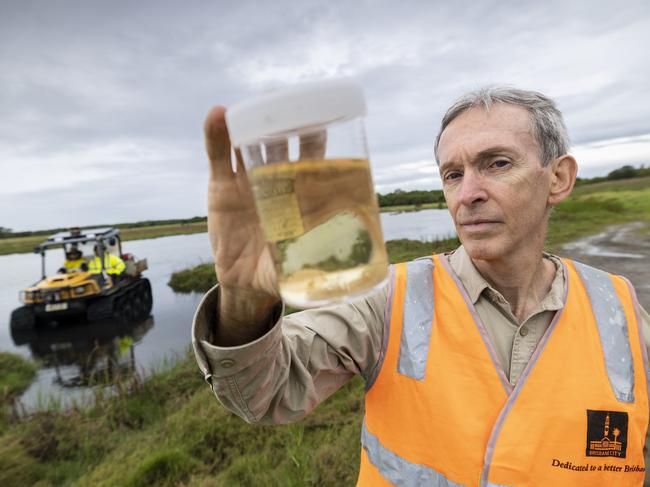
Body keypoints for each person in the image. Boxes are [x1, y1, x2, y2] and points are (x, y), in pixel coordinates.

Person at [192, 87, 650, 486]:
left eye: (497, 163)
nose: (468, 193)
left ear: (559, 178)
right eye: (453, 174)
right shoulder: (390, 297)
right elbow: (261, 392)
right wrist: (247, 298)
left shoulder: (621, 308)